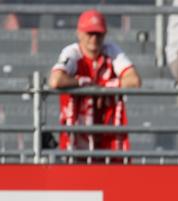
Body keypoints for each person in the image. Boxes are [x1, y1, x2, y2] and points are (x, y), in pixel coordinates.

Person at [48, 9, 141, 153]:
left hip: (108, 137)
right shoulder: (72, 53)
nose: (94, 39)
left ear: (105, 34)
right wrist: (83, 83)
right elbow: (56, 80)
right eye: (89, 33)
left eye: (98, 33)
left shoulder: (111, 50)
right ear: (79, 33)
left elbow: (134, 80)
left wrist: (101, 87)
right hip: (76, 138)